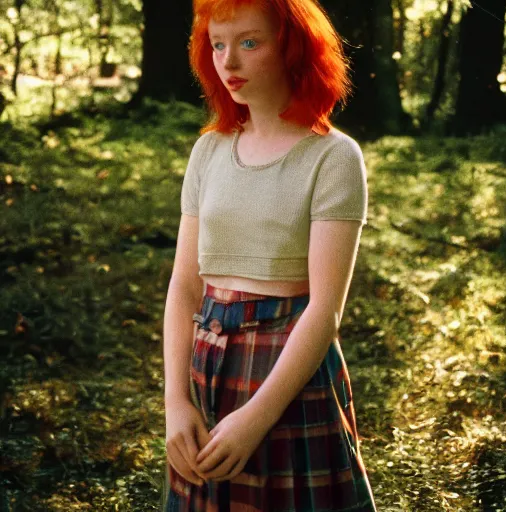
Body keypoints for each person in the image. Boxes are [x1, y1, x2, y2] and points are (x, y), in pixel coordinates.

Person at [162, 0, 378, 510]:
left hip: (287, 370)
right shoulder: (208, 151)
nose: (228, 61)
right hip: (206, 362)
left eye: (249, 42)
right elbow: (184, 287)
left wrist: (257, 416)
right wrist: (176, 402)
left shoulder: (333, 157)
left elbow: (325, 309)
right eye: (218, 44)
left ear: (293, 47)